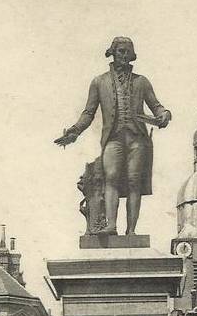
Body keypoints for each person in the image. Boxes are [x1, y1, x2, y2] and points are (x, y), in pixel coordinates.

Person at [55, 37, 171, 235]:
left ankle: (131, 231)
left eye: (128, 52)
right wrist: (75, 131)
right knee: (111, 178)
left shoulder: (142, 82)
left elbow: (157, 106)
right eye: (121, 52)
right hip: (113, 139)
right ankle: (111, 226)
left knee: (135, 182)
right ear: (113, 53)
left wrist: (164, 114)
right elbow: (89, 113)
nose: (124, 56)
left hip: (137, 139)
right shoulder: (99, 82)